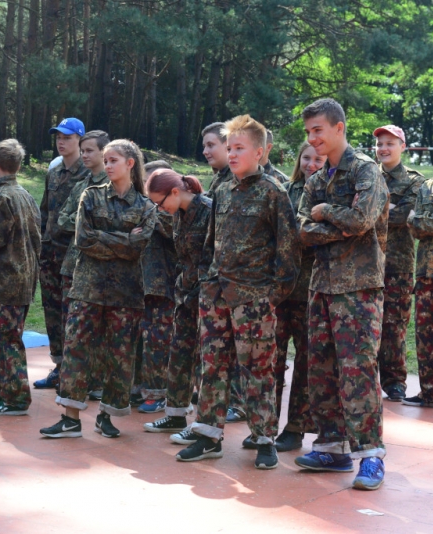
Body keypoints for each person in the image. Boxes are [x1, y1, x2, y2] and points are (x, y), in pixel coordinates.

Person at [175, 115, 299, 470]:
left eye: (239, 148)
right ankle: (208, 435)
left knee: (258, 371)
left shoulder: (274, 192)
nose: (231, 154)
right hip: (216, 295)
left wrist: (270, 297)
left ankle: (264, 439)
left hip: (254, 300)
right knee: (211, 365)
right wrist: (207, 281)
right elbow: (210, 242)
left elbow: (289, 252)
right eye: (229, 148)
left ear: (259, 152)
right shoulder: (222, 189)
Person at [295, 98, 389, 490]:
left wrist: (325, 213)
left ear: (338, 128)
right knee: (321, 369)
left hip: (358, 288)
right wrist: (336, 222)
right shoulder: (316, 180)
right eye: (308, 132)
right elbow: (302, 230)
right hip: (322, 286)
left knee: (358, 370)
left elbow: (362, 219)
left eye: (318, 130)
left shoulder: (366, 169)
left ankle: (371, 455)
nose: (312, 139)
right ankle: (332, 448)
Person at [40, 139, 155, 439]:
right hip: (87, 288)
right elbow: (84, 240)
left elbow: (138, 248)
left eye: (113, 160)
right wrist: (124, 239)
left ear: (130, 163)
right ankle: (70, 419)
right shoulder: (90, 196)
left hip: (125, 294)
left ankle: (107, 416)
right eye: (106, 160)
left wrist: (107, 238)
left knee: (119, 355)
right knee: (76, 349)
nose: (107, 165)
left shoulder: (145, 206)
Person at [243, 141, 325, 453]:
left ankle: (295, 429)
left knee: (305, 362)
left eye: (318, 159)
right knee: (269, 360)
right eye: (306, 157)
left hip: (311, 289)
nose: (311, 164)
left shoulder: (328, 193)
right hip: (277, 290)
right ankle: (264, 426)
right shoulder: (285, 190)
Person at [0, 139, 41, 415]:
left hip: (6, 279)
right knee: (1, 337)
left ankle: (16, 398)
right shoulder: (25, 195)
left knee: (7, 340)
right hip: (24, 278)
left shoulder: (0, 198)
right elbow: (38, 238)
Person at [142, 169, 210, 436]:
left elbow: (215, 257)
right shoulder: (178, 215)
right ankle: (175, 415)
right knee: (179, 354)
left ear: (174, 192)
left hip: (208, 294)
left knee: (206, 362)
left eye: (160, 203)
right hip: (185, 293)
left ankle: (204, 425)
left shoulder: (208, 211)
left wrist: (200, 289)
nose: (160, 209)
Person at [34, 118, 91, 391]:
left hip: (73, 255)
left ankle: (76, 370)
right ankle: (59, 365)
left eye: (67, 137)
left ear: (80, 140)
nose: (61, 142)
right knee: (52, 312)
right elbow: (45, 211)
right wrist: (41, 243)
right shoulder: (54, 171)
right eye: (58, 137)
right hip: (50, 253)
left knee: (72, 313)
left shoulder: (88, 174)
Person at [372, 126, 424, 402]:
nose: (383, 148)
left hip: (398, 265)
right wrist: (389, 207)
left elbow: (406, 216)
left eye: (389, 143)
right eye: (380, 144)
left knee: (394, 326)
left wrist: (374, 209)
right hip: (367, 264)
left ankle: (394, 382)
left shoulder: (415, 181)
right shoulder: (368, 175)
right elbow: (358, 213)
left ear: (402, 146)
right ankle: (365, 380)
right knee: (366, 326)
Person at [57, 130, 110, 401]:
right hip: (73, 264)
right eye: (83, 150)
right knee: (71, 325)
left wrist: (86, 226)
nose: (85, 155)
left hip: (99, 267)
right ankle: (75, 379)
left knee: (97, 326)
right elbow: (62, 219)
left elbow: (111, 223)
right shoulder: (81, 184)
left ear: (103, 152)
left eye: (90, 150)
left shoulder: (112, 184)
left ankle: (97, 380)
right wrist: (86, 225)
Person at [201, 121, 247, 424]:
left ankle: (239, 402)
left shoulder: (242, 181)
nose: (206, 151)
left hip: (243, 282)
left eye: (212, 145)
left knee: (242, 349)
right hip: (217, 279)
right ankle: (222, 403)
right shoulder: (219, 181)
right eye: (204, 146)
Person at [405, 128, 433, 409]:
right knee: (426, 335)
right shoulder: (427, 186)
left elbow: (429, 222)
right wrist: (421, 222)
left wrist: (417, 220)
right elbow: (417, 229)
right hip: (425, 273)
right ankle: (431, 392)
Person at [134, 164, 178, 413]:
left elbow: (174, 232)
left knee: (158, 340)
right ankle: (138, 386)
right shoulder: (143, 206)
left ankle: (158, 392)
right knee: (137, 338)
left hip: (163, 284)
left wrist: (150, 213)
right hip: (138, 283)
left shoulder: (171, 210)